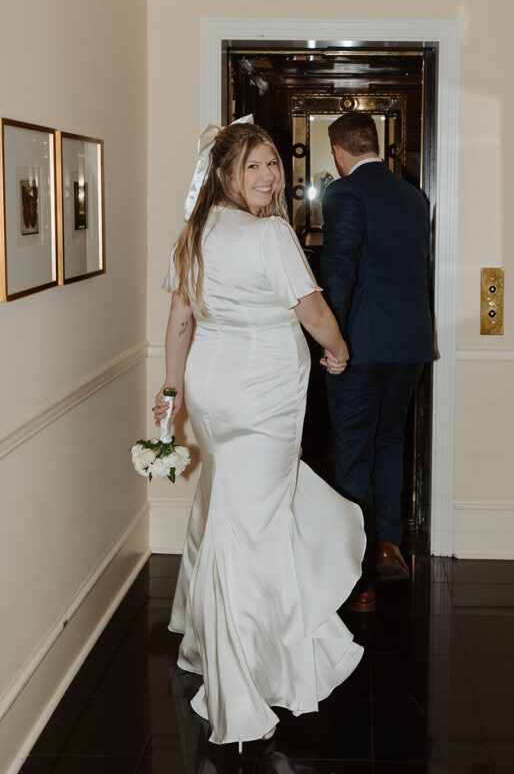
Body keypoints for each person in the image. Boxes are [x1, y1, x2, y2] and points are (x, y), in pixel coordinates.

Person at [153, 119, 365, 748]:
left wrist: (173, 393)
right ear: (225, 174)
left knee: (232, 508)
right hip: (263, 396)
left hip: (217, 392)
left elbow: (179, 322)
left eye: (274, 164)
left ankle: (208, 635)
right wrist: (340, 350)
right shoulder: (270, 233)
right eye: (255, 166)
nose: (270, 176)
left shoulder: (195, 233)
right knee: (255, 526)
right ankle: (245, 678)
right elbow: (313, 310)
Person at [320, 112, 434, 613]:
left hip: (360, 345)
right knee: (390, 440)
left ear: (339, 152)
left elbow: (340, 265)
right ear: (374, 144)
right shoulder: (414, 197)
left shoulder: (344, 192)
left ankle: (358, 576)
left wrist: (333, 338)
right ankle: (389, 541)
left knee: (352, 452)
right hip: (408, 344)